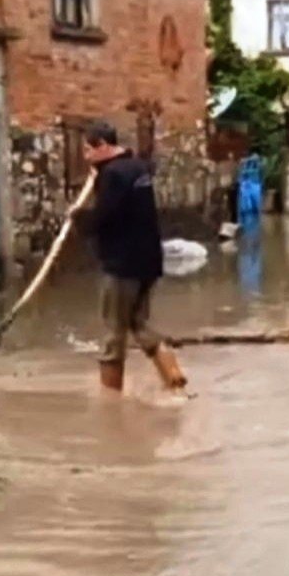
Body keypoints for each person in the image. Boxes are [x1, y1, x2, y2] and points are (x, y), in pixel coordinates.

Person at [72, 121, 188, 395]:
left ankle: (110, 402)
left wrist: (78, 218)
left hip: (123, 265)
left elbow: (105, 216)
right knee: (137, 322)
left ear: (103, 146)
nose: (86, 156)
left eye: (88, 150)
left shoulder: (112, 175)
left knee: (113, 331)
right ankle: (173, 375)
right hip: (148, 262)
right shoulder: (138, 167)